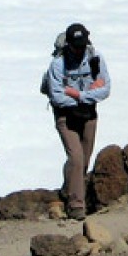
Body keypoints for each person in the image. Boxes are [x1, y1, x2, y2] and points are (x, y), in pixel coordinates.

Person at [43, 23, 111, 220]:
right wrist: (90, 92)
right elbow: (57, 96)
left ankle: (67, 191)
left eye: (82, 45)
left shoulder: (94, 58)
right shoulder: (58, 64)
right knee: (76, 158)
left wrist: (79, 95)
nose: (79, 50)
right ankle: (76, 206)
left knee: (83, 160)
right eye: (75, 46)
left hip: (88, 114)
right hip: (66, 116)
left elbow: (105, 89)